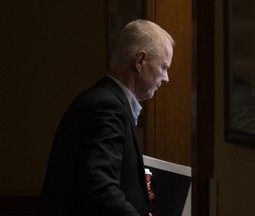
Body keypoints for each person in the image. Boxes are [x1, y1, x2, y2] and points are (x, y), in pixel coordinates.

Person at [40, 19, 174, 216]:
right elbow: (100, 189)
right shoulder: (108, 108)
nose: (166, 78)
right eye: (163, 67)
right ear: (140, 61)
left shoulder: (98, 100)